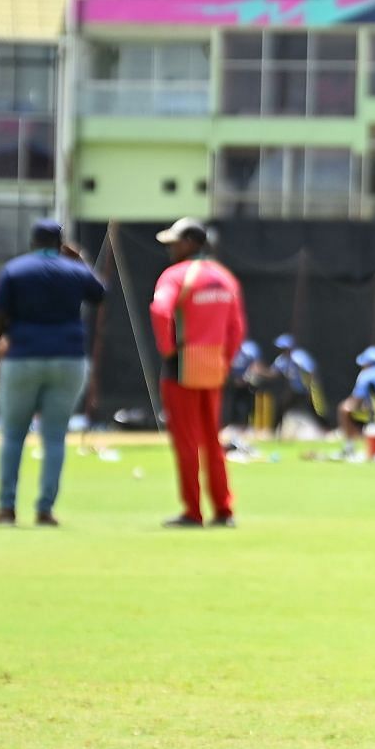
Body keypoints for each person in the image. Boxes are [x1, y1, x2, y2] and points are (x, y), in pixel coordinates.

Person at [0, 219, 105, 526]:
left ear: (33, 241)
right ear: (60, 243)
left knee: (12, 437)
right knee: (55, 439)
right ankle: (45, 510)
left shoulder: (16, 269)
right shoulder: (74, 270)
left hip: (23, 358)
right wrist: (83, 262)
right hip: (68, 360)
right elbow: (100, 294)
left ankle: (7, 508)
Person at [149, 217, 245, 528]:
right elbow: (236, 328)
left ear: (191, 242)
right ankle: (224, 510)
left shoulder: (175, 275)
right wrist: (225, 361)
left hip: (182, 366)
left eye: (175, 242)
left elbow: (160, 310)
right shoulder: (224, 278)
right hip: (214, 365)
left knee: (187, 442)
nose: (170, 249)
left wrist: (167, 349)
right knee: (212, 442)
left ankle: (193, 512)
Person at [270, 333, 322, 433]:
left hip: (307, 390)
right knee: (282, 407)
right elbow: (273, 373)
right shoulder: (282, 360)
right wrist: (260, 371)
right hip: (295, 390)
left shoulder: (299, 356)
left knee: (315, 410)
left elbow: (311, 371)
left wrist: (310, 386)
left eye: (283, 347)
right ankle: (275, 430)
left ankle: (325, 430)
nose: (282, 350)